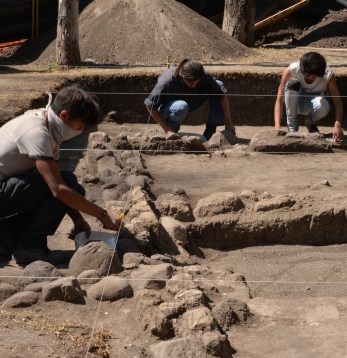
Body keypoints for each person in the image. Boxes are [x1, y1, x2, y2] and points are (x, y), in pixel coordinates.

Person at [0, 85, 121, 265]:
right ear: (64, 115)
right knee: (66, 185)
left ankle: (8, 233)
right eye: (79, 126)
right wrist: (102, 214)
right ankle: (29, 248)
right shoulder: (36, 132)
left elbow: (60, 181)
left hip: (5, 188)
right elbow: (58, 189)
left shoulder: (49, 128)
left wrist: (78, 219)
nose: (79, 131)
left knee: (72, 186)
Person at [144, 59, 235, 140]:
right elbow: (149, 105)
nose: (194, 86)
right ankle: (172, 131)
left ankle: (210, 132)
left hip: (190, 100)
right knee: (181, 106)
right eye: (191, 83)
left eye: (197, 83)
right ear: (182, 76)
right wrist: (167, 130)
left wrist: (229, 122)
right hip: (168, 108)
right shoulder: (167, 81)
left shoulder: (203, 75)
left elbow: (221, 96)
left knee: (218, 85)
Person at [274, 51, 344, 141]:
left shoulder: (328, 74)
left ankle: (310, 122)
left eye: (316, 76)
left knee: (324, 105)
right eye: (309, 75)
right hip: (295, 103)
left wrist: (337, 125)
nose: (312, 78)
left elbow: (338, 103)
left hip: (313, 105)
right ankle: (292, 129)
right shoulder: (292, 70)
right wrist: (277, 127)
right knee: (292, 83)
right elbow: (279, 100)